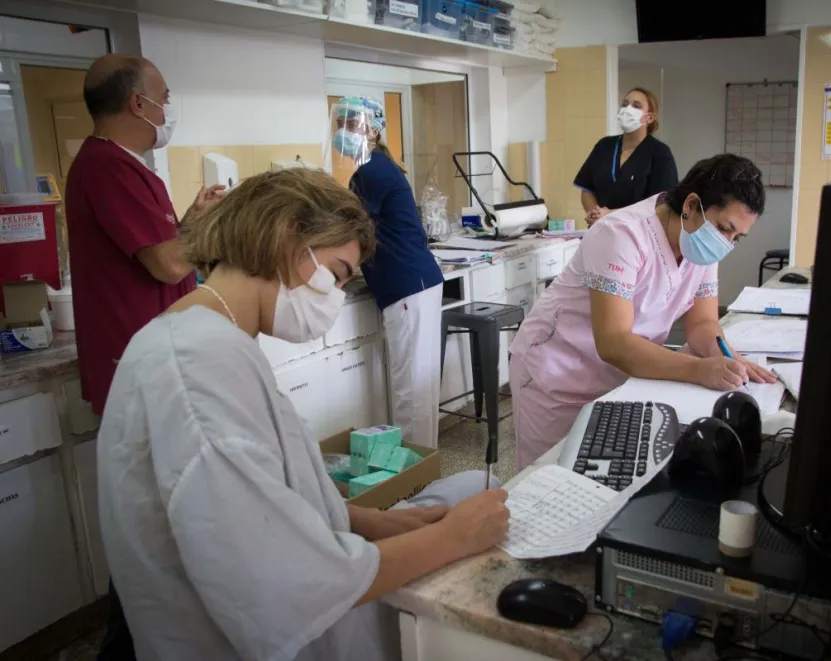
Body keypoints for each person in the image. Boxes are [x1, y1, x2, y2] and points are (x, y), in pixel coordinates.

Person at [97, 167, 510, 660]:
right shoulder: (196, 371)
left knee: (473, 488)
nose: (334, 296)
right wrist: (450, 539)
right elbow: (281, 585)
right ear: (288, 234)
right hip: (265, 632)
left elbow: (266, 491)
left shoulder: (211, 337)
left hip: (306, 562)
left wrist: (365, 521)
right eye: (336, 274)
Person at [64, 53, 223, 661]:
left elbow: (162, 248)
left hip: (160, 355)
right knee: (148, 529)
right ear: (138, 104)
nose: (169, 105)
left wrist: (193, 218)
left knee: (158, 522)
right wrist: (201, 235)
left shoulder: (134, 168)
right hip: (137, 367)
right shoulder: (105, 167)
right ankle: (123, 648)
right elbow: (164, 263)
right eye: (165, 94)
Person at [509, 154, 778, 469]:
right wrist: (699, 369)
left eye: (737, 237)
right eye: (724, 229)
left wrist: (727, 358)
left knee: (602, 475)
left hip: (619, 377)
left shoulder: (701, 242)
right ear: (691, 205)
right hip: (556, 373)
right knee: (550, 480)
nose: (727, 243)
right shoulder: (621, 234)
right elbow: (614, 342)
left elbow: (703, 323)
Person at [332, 96, 445, 448]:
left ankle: (415, 470)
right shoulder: (376, 167)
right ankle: (422, 464)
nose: (343, 133)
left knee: (411, 387)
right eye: (340, 125)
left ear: (374, 129)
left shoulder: (371, 171)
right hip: (415, 283)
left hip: (407, 285)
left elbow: (349, 229)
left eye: (352, 125)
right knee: (417, 383)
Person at [575, 87, 678, 226]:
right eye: (624, 104)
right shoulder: (604, 146)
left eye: (636, 106)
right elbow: (587, 189)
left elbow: (660, 204)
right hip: (601, 229)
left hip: (639, 234)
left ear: (650, 117)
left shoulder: (660, 153)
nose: (627, 109)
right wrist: (595, 213)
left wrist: (611, 215)